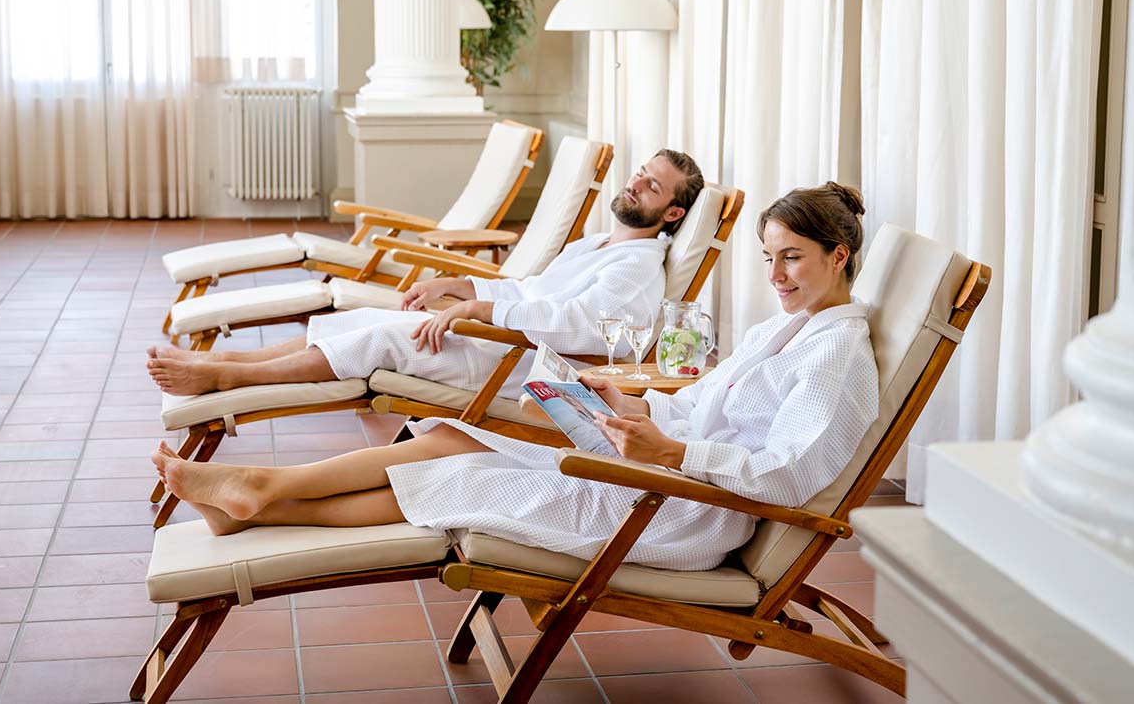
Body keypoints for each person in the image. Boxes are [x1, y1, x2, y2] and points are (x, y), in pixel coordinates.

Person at [151, 183, 879, 573]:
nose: (776, 275)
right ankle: (258, 494)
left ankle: (264, 498)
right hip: (657, 468)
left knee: (463, 476)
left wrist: (672, 454)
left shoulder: (834, 356)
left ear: (837, 255)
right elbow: (705, 402)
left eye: (791, 258)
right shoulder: (784, 328)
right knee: (449, 433)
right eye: (768, 258)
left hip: (683, 509)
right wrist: (632, 402)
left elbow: (786, 476)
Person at [145, 150, 704, 397]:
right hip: (501, 338)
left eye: (652, 187)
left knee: (384, 335)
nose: (634, 185)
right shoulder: (599, 243)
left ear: (672, 214)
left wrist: (478, 310)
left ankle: (229, 378)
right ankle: (220, 361)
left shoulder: (636, 267)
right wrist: (461, 286)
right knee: (369, 315)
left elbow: (583, 329)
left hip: (524, 365)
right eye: (639, 175)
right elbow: (532, 291)